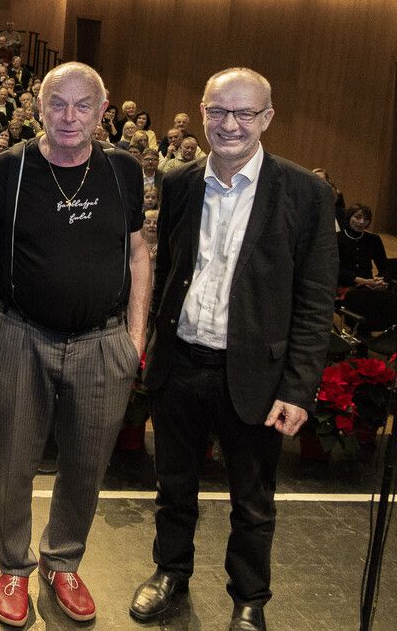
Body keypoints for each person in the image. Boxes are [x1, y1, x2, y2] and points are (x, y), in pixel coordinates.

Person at [131, 68, 337, 631]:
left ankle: (249, 600)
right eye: (219, 111)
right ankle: (170, 573)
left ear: (267, 118)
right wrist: (151, 341)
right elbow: (171, 270)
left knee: (253, 502)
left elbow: (316, 302)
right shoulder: (179, 182)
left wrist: (298, 389)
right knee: (173, 486)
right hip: (181, 363)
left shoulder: (306, 193)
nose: (230, 124)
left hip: (256, 377)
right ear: (202, 113)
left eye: (245, 113)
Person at [0, 63, 149, 627]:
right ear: (38, 108)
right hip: (24, 336)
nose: (69, 117)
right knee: (13, 463)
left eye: (83, 105)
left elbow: (140, 252)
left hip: (103, 342)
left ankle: (63, 560)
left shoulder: (123, 170)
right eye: (58, 104)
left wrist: (135, 338)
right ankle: (13, 568)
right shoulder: (6, 171)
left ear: (103, 112)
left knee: (86, 463)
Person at [336, 203, 395, 333]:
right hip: (345, 285)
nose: (362, 222)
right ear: (349, 217)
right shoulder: (338, 238)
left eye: (366, 219)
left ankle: (368, 335)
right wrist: (363, 281)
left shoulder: (373, 239)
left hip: (369, 284)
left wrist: (382, 281)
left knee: (386, 300)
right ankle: (361, 336)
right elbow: (335, 270)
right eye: (357, 217)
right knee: (362, 301)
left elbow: (384, 266)